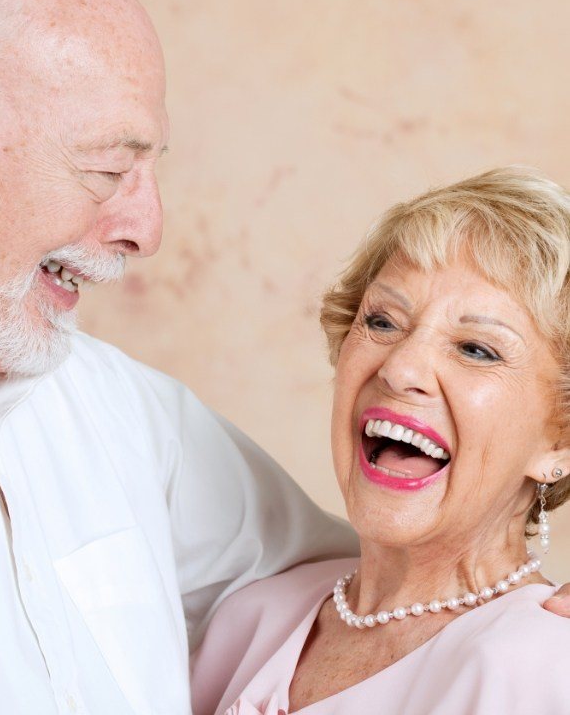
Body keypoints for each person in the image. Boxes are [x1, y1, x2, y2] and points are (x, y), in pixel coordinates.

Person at [0, 0, 361, 715]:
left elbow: (371, 591)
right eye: (106, 168)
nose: (148, 228)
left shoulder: (123, 411)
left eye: (150, 169)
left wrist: (513, 603)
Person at [190, 169, 570, 714]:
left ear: (561, 441)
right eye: (384, 322)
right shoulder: (251, 618)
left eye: (476, 349)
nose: (400, 367)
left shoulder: (545, 668)